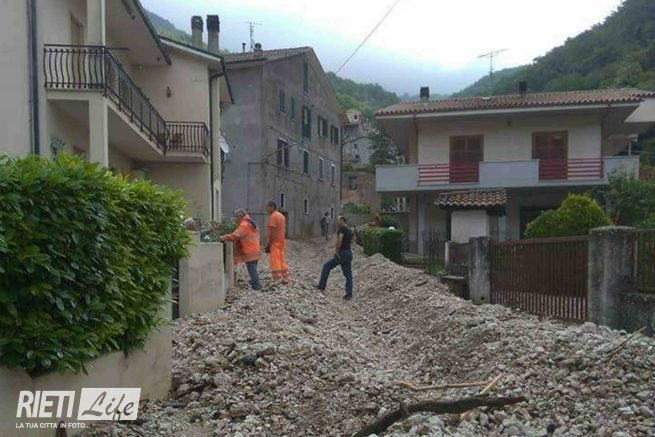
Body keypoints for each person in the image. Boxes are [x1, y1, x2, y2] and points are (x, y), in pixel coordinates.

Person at [220, 209, 262, 291]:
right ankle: (255, 283)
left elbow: (235, 235)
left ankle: (256, 285)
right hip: (255, 248)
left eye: (236, 217)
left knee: (251, 268)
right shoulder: (250, 223)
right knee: (253, 267)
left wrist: (224, 237)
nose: (235, 219)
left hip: (249, 249)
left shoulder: (244, 225)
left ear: (240, 216)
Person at [316, 215, 354, 300]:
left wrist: (336, 251)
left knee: (327, 266)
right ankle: (349, 294)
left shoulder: (342, 229)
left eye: (338, 220)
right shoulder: (349, 230)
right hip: (349, 253)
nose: (337, 222)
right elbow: (353, 239)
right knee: (348, 275)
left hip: (342, 253)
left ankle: (321, 285)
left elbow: (339, 239)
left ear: (342, 220)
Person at [265, 201, 290, 283]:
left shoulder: (273, 216)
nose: (266, 209)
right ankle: (285, 276)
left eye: (267, 207)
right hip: (281, 241)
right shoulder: (281, 216)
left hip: (274, 241)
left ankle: (277, 277)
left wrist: (269, 243)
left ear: (272, 207)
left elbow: (272, 231)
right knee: (281, 258)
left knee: (275, 259)